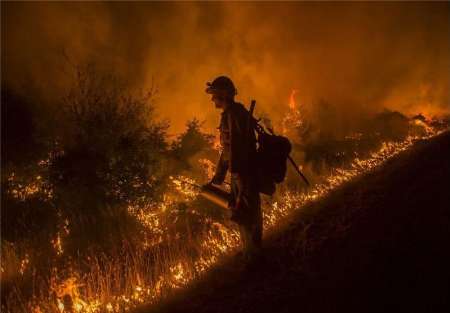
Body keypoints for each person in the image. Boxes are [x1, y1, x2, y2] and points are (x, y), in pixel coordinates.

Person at [205, 75, 262, 259]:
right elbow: (230, 147)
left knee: (245, 211)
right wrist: (220, 174)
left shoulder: (234, 115)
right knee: (244, 210)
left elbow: (236, 147)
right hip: (240, 171)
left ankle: (253, 254)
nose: (212, 99)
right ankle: (250, 250)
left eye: (214, 95)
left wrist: (230, 173)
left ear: (223, 95)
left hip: (242, 171)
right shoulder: (234, 113)